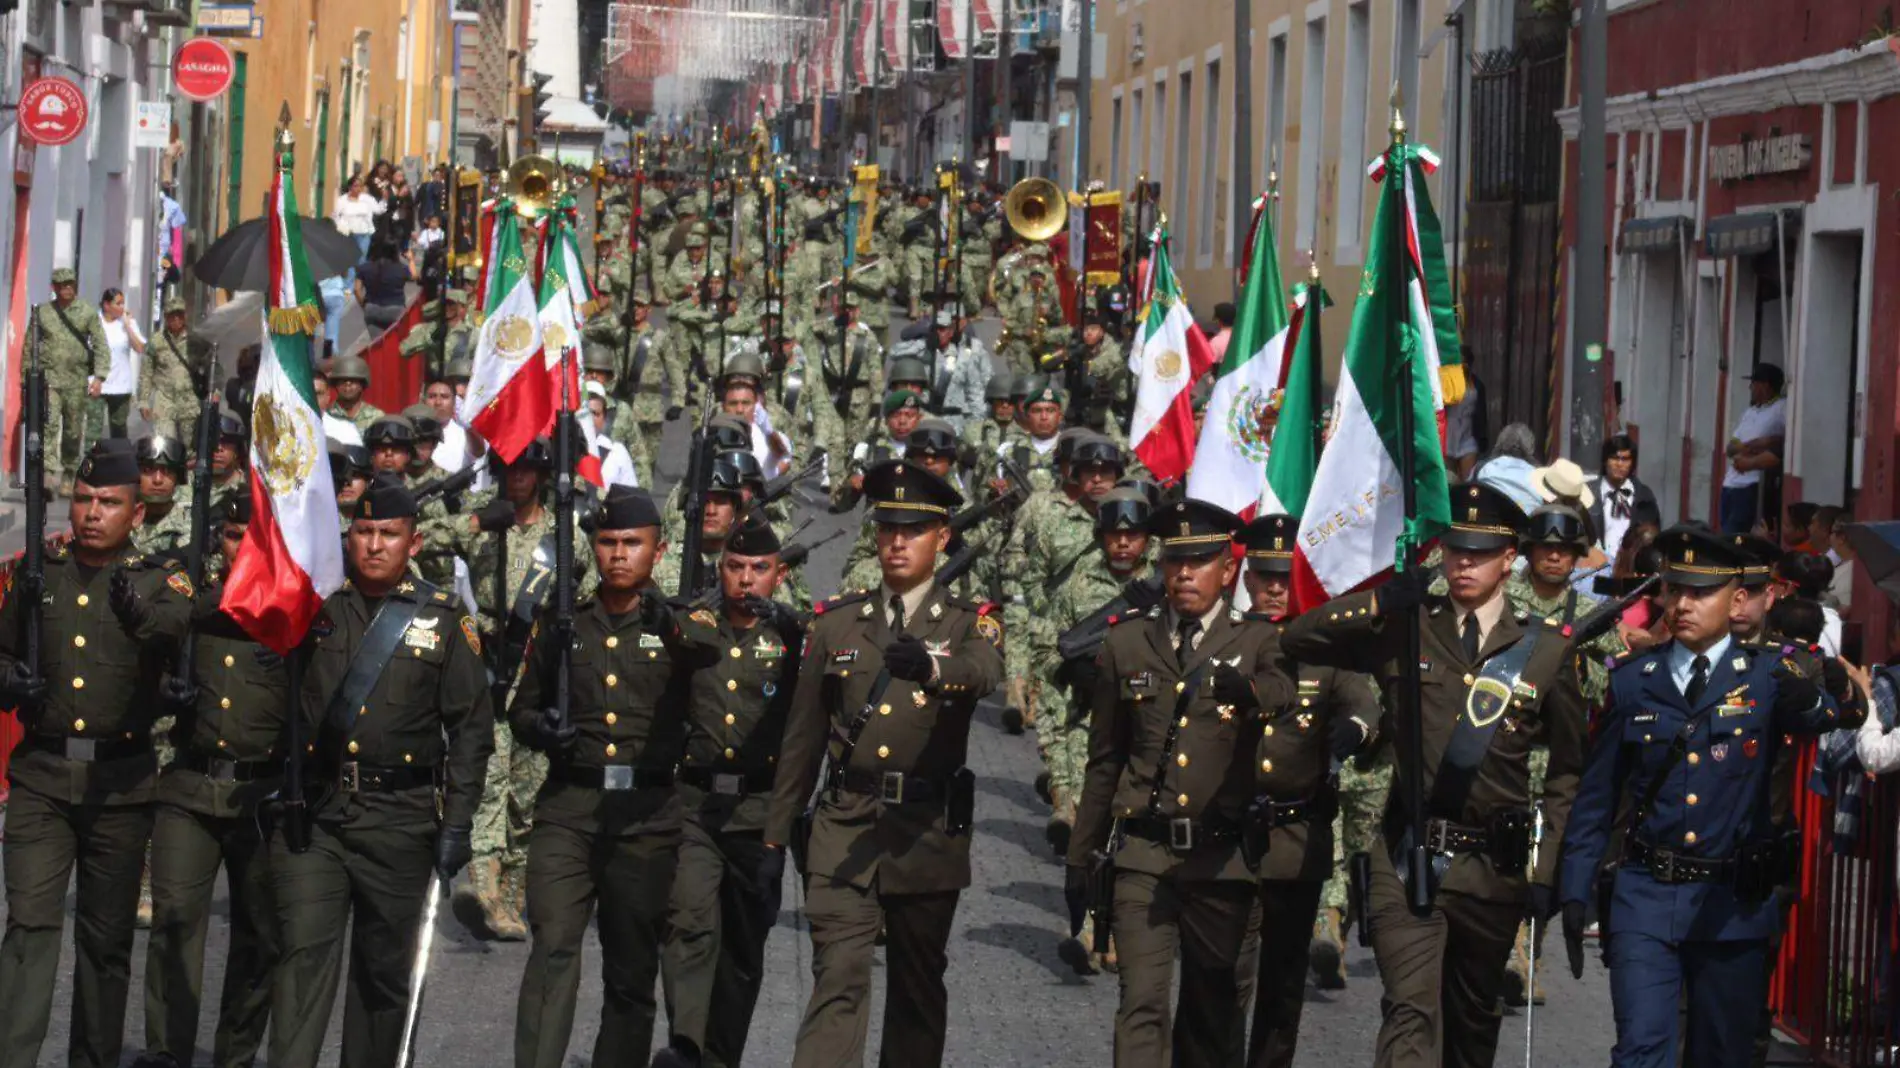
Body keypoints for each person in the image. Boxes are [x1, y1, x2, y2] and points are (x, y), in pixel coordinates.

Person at [1280, 482, 1589, 1068]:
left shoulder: (1544, 650)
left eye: (1478, 552)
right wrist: (1378, 602)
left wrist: (1544, 872)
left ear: (1508, 560)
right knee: (1409, 1009)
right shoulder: (1407, 627)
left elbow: (1567, 773)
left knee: (1472, 1029)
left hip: (1493, 872)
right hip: (1408, 857)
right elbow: (1298, 636)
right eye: (1454, 549)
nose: (1463, 562)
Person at [1558, 525, 1852, 1068]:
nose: (1683, 604)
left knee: (1721, 1055)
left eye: (1700, 593)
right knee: (1641, 1051)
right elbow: (1597, 797)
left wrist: (1807, 695)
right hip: (1645, 895)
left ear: (1737, 600)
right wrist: (1574, 887)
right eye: (1675, 590)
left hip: (1730, 906)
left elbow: (1827, 718)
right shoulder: (1631, 680)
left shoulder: (1766, 677)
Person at [764, 459, 1006, 1068]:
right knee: (838, 977)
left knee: (916, 990)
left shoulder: (967, 623)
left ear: (942, 538)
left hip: (925, 833)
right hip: (845, 825)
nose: (898, 542)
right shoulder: (838, 623)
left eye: (914, 530)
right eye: (888, 529)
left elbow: (984, 674)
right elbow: (803, 741)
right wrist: (772, 841)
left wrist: (933, 668)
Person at [267, 474, 493, 1068]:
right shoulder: (314, 603)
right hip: (317, 816)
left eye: (388, 534)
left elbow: (471, 730)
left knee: (384, 975)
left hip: (401, 821)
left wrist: (458, 825)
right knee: (301, 958)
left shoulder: (443, 619)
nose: (373, 545)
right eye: (362, 531)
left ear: (413, 543)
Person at [1063, 498, 1294, 1067]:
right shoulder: (1127, 643)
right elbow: (1106, 759)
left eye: (1199, 561)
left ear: (1228, 569)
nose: (1184, 574)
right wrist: (1081, 853)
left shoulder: (1259, 641)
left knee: (1210, 1010)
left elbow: (1286, 697)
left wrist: (1257, 697)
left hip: (1221, 860)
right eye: (1174, 562)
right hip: (1144, 852)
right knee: (1140, 1002)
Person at [0, 441, 194, 1068]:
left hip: (122, 786)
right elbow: (2, 651)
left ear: (137, 513)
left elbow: (172, 640)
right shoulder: (40, 573)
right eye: (83, 500)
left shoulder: (160, 581)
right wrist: (9, 681)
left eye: (108, 503)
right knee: (28, 928)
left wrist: (163, 672)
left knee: (106, 943)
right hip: (42, 781)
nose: (91, 513)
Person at [506, 486, 689, 1068]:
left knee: (631, 969)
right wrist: (542, 727)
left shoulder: (681, 627)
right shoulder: (563, 624)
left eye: (631, 543)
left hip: (646, 817)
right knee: (553, 950)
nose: (617, 554)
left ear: (657, 553)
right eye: (606, 542)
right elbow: (520, 709)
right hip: (569, 810)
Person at [652, 508, 805, 1068]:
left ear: (778, 574)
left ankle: (719, 1059)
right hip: (695, 806)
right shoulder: (697, 626)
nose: (745, 579)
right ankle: (686, 1045)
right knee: (688, 923)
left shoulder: (792, 637)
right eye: (735, 566)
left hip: (759, 811)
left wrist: (780, 835)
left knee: (742, 953)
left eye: (758, 568)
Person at [138, 494, 284, 1068]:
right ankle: (167, 1052)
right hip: (190, 788)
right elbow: (141, 680)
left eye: (253, 535)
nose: (241, 546)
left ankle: (236, 1055)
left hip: (262, 795)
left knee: (260, 936)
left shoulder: (291, 613)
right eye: (230, 534)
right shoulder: (191, 605)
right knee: (174, 920)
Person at [1232, 513, 1381, 1068]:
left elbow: (1365, 708)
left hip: (1295, 839)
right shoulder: (1226, 641)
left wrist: (1355, 732)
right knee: (1225, 975)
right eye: (1264, 576)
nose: (1274, 587)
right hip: (1227, 838)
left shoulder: (1326, 652)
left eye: (1283, 576)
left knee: (1282, 984)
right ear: (1245, 579)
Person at [34, 267, 113, 495]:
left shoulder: (87, 312)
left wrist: (99, 377)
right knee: (48, 426)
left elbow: (100, 346)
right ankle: (48, 474)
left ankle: (69, 472)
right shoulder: (43, 313)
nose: (66, 288)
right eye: (61, 285)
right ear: (54, 288)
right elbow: (31, 346)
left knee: (72, 431)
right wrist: (26, 378)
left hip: (76, 382)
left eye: (70, 284)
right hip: (49, 381)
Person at [1721, 363, 1787, 534]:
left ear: (1765, 385)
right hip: (1731, 483)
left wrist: (1764, 443)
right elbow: (1730, 448)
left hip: (1752, 484)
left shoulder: (1781, 408)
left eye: (1754, 383)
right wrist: (1747, 446)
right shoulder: (1750, 412)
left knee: (1735, 535)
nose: (1750, 387)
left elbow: (1784, 440)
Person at [142, 297, 216, 441]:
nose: (176, 319)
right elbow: (146, 373)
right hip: (164, 401)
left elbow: (213, 367)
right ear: (165, 317)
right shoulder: (156, 342)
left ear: (185, 316)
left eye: (180, 314)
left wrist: (215, 392)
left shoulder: (197, 341)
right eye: (172, 315)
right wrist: (143, 401)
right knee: (164, 446)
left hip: (189, 402)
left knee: (190, 449)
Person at [1588, 433, 1661, 566]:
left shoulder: (1644, 497)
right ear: (1605, 460)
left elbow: (1653, 538)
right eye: (1615, 458)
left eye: (1625, 459)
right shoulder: (1588, 494)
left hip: (1630, 571)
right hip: (1593, 568)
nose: (1620, 464)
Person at [98, 287, 145, 438]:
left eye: (123, 303)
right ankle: (92, 460)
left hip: (121, 386)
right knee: (93, 429)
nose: (122, 307)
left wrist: (128, 327)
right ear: (106, 305)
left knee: (119, 429)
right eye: (118, 304)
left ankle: (118, 460)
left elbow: (139, 348)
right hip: (98, 384)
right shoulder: (95, 321)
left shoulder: (128, 322)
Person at [354, 238, 413, 332]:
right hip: (396, 309)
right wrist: (411, 260)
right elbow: (414, 277)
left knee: (377, 344)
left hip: (372, 309)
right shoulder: (400, 267)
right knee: (399, 342)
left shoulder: (364, 268)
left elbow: (357, 289)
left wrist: (364, 305)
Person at [332, 175, 386, 268]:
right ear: (350, 187)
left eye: (360, 186)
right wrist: (340, 227)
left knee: (361, 261)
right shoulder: (342, 200)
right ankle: (349, 282)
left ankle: (359, 281)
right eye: (356, 186)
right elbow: (335, 216)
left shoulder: (367, 199)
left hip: (364, 234)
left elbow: (378, 210)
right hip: (348, 234)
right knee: (349, 260)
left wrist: (384, 199)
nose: (358, 188)